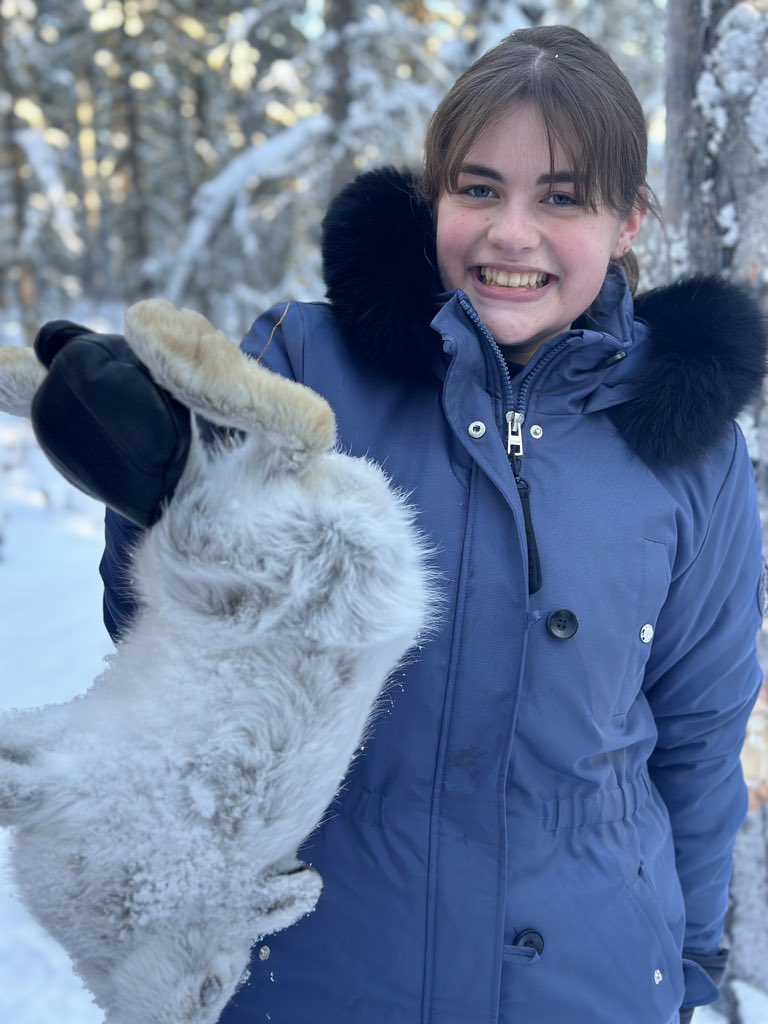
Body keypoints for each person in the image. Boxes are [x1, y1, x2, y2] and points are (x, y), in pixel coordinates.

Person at [30, 24, 767, 1024]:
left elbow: (695, 740)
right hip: (321, 976)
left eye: (561, 197)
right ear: (434, 201)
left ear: (630, 218)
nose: (512, 233)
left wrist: (685, 970)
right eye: (478, 190)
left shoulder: (691, 454)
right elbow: (164, 638)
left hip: (587, 983)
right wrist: (162, 485)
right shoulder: (305, 366)